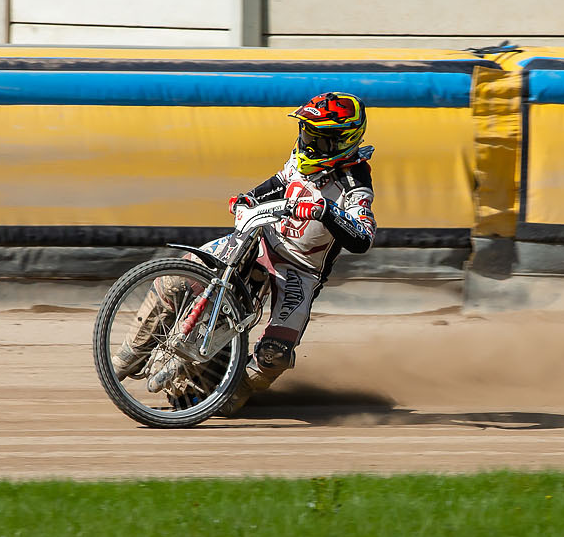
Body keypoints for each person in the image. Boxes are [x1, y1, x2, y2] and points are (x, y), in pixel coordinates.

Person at [114, 91, 374, 411]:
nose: (307, 143)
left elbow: (363, 237)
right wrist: (249, 198)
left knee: (274, 355)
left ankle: (236, 390)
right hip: (262, 237)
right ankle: (131, 350)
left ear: (342, 141)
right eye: (305, 132)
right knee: (175, 279)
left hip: (301, 269)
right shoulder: (300, 157)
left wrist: (327, 212)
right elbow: (279, 181)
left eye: (317, 138)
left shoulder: (355, 181)